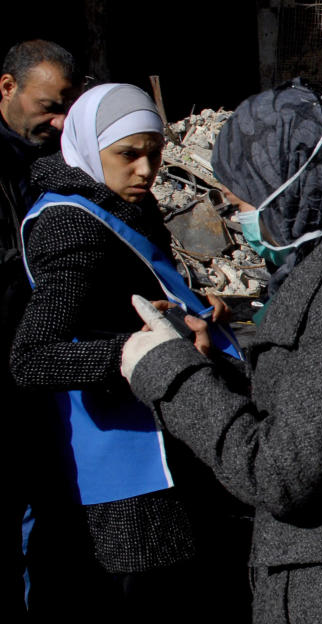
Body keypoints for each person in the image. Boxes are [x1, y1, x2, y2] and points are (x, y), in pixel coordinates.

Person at [118, 79, 322, 623]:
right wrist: (216, 368)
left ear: (291, 184)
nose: (238, 216)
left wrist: (169, 373)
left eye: (241, 199)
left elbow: (280, 473)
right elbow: (321, 407)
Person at [10, 82, 246, 622]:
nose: (145, 169)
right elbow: (33, 357)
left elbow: (130, 298)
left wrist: (191, 315)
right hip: (125, 465)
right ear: (92, 150)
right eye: (128, 155)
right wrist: (142, 349)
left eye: (154, 152)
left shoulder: (116, 204)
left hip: (156, 442)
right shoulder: (73, 223)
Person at [0, 39, 76, 618]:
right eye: (47, 104)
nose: (56, 119)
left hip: (46, 366)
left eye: (65, 108)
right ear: (8, 88)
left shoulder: (54, 161)